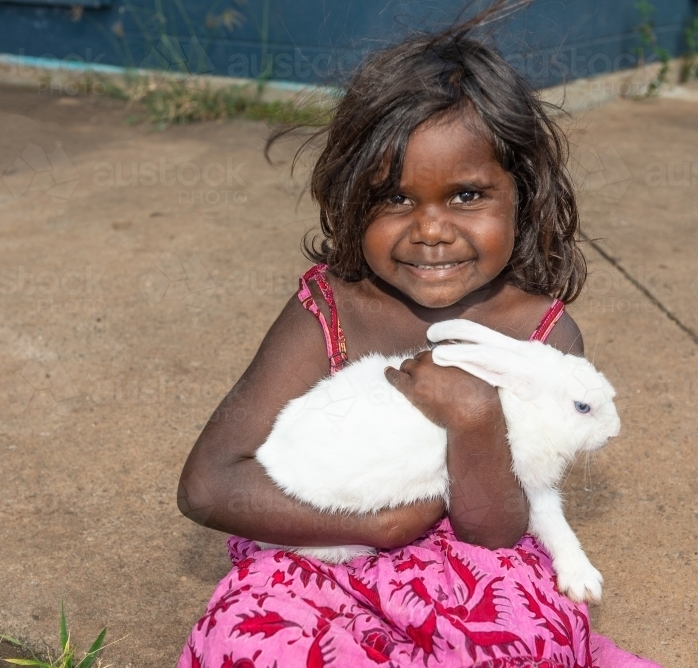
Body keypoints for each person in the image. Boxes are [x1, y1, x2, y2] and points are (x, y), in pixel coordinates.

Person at [176, 4, 660, 666]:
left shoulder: (538, 336)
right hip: (321, 547)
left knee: (528, 640)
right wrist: (378, 526)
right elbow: (208, 486)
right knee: (250, 639)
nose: (430, 230)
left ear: (522, 195)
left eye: (466, 196)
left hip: (470, 562)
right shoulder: (332, 311)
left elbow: (496, 529)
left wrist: (474, 419)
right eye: (395, 198)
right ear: (351, 200)